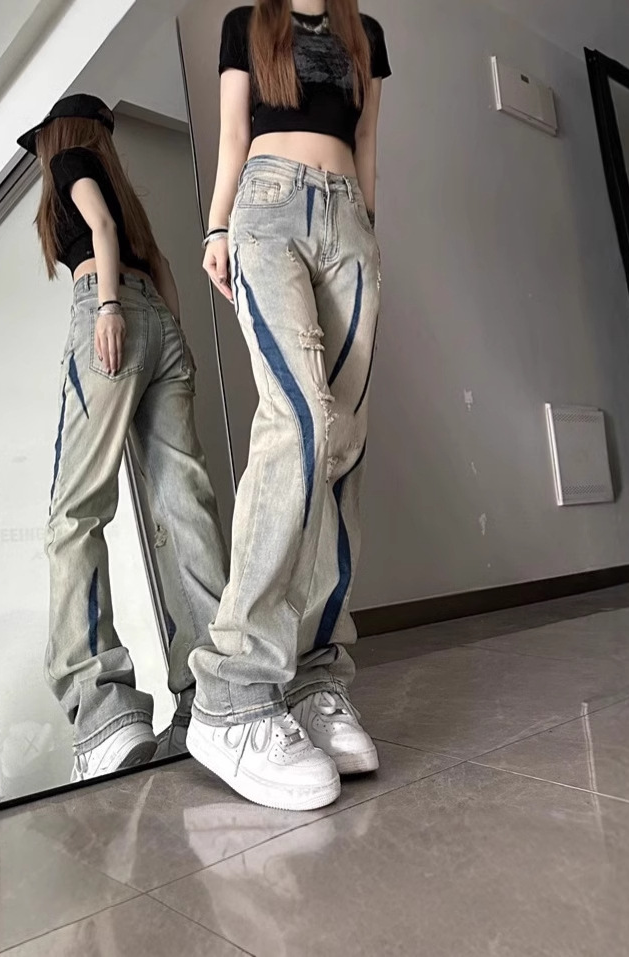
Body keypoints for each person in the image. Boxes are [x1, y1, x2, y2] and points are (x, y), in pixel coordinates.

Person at [187, 0, 390, 810]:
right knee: (300, 420)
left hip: (349, 226)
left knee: (342, 442)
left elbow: (367, 142)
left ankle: (313, 679)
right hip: (267, 207)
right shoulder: (246, 22)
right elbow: (234, 134)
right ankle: (231, 692)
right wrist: (215, 229)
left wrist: (368, 232)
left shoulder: (366, 33)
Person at [17, 94, 228, 781]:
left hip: (109, 315)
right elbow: (160, 263)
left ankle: (103, 711)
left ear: (58, 135)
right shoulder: (119, 185)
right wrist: (176, 341)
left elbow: (99, 228)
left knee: (74, 516)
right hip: (160, 326)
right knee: (183, 508)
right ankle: (216, 696)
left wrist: (107, 307)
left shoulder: (69, 162)